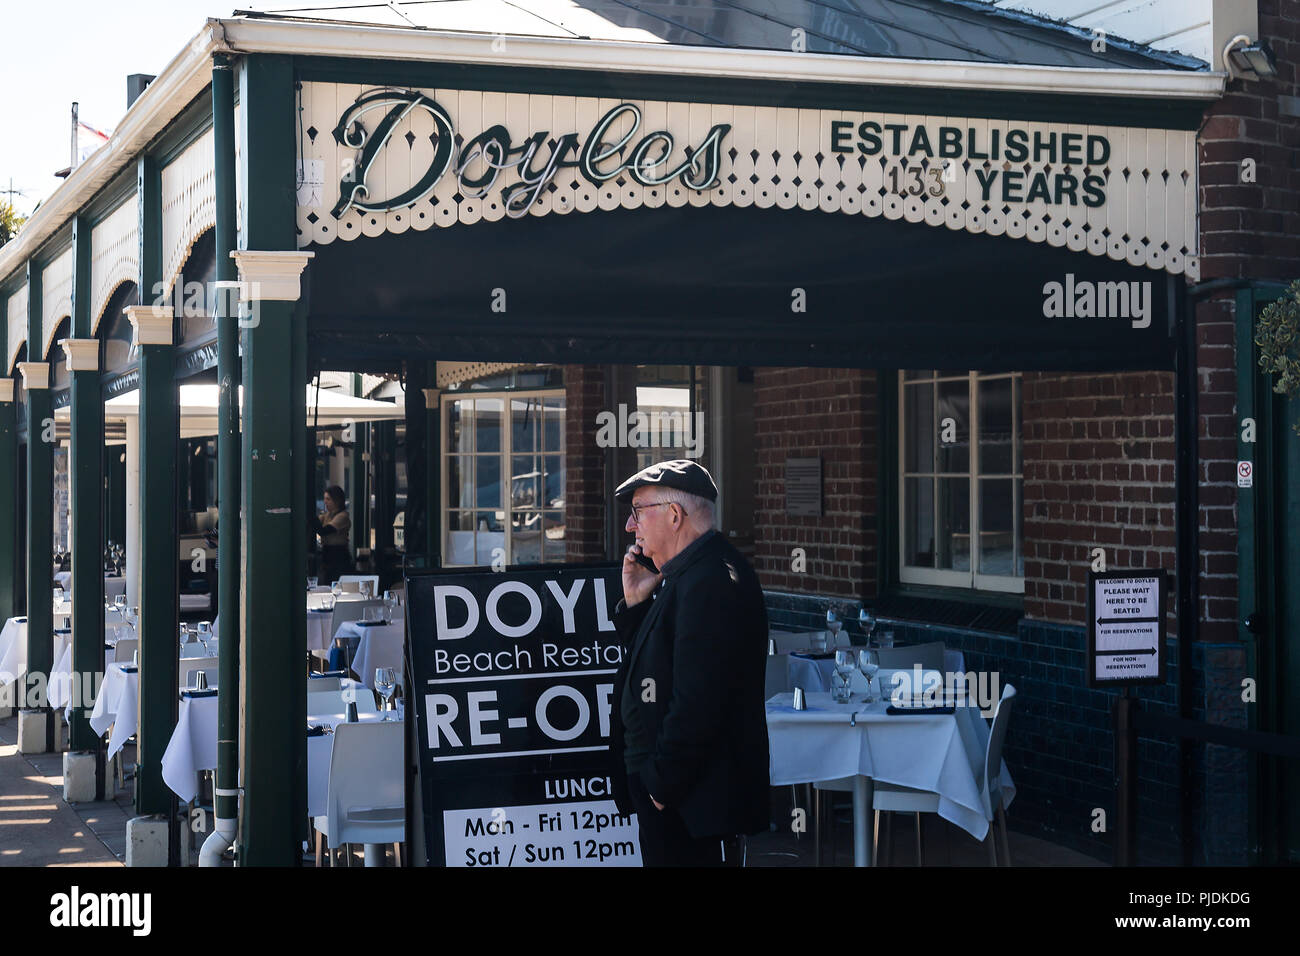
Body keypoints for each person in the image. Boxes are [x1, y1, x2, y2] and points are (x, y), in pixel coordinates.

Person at [608, 459, 770, 866]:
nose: (631, 527)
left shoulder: (711, 578)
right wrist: (636, 606)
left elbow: (699, 701)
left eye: (637, 512)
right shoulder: (688, 573)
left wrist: (660, 788)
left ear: (674, 515)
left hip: (690, 801)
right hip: (677, 795)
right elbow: (658, 666)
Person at [315, 485, 353, 585]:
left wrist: (312, 519)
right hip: (326, 554)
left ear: (337, 500)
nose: (325, 502)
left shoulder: (343, 516)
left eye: (328, 499)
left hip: (338, 555)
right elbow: (317, 523)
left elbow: (324, 531)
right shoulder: (327, 515)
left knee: (337, 584)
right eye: (324, 499)